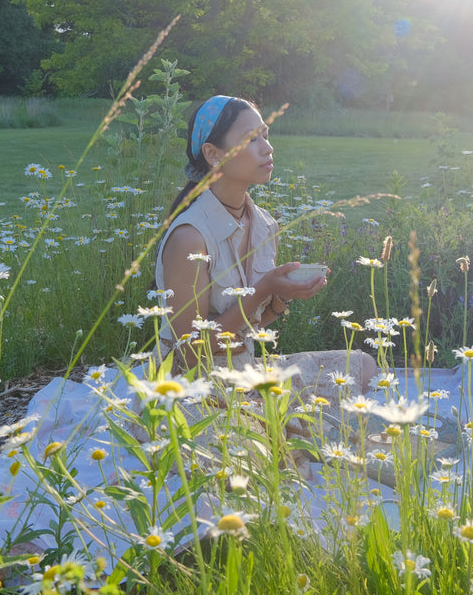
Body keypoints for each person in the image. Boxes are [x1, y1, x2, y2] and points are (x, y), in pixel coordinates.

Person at [154, 95, 376, 398]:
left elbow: (247, 327)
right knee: (272, 435)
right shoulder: (190, 237)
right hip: (191, 391)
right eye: (251, 139)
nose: (268, 148)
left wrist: (280, 297)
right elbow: (191, 352)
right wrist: (261, 290)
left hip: (244, 373)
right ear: (212, 153)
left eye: (266, 135)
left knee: (362, 367)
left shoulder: (264, 224)